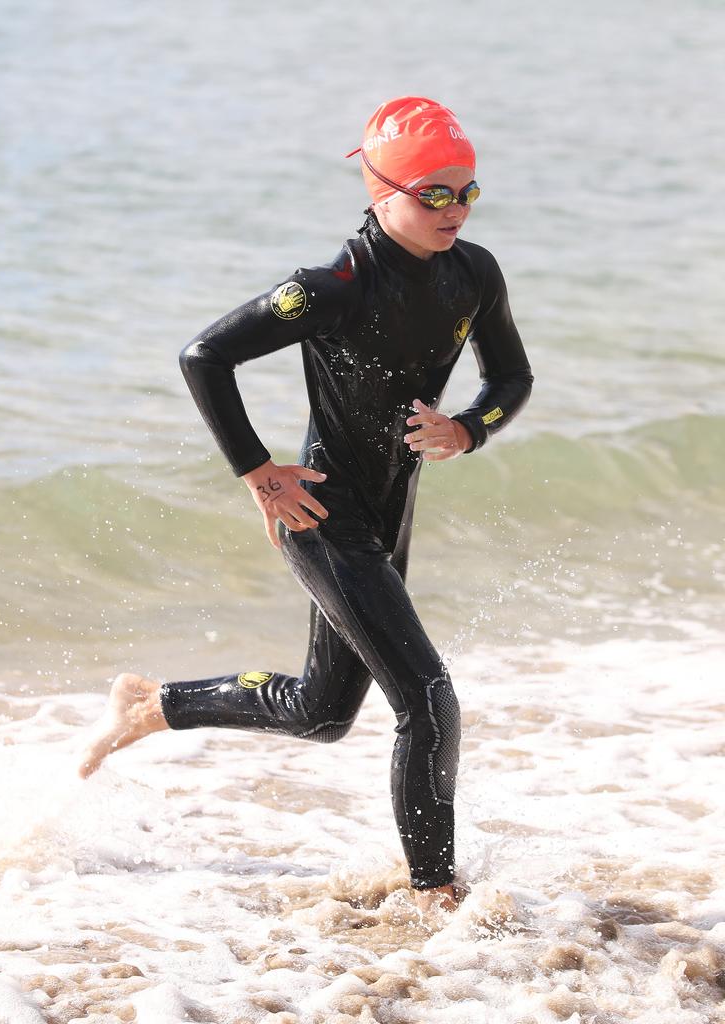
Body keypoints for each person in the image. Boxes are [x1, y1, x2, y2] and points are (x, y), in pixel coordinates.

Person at [79, 96, 533, 913]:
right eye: (434, 192)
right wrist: (259, 472)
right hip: (322, 516)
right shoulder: (330, 287)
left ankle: (156, 704)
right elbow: (204, 356)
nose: (455, 208)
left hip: (390, 513)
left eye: (468, 191)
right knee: (427, 700)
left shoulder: (475, 272)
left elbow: (512, 378)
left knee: (322, 713)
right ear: (381, 189)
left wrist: (469, 428)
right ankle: (437, 895)